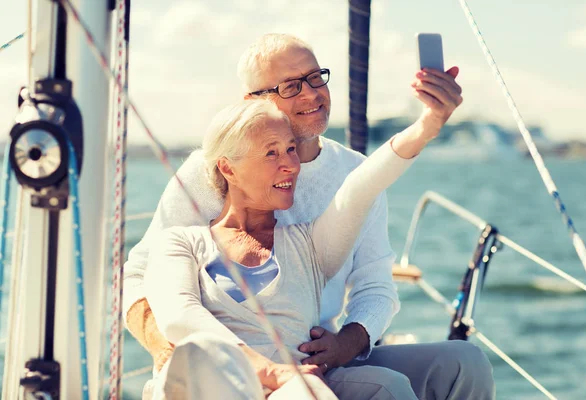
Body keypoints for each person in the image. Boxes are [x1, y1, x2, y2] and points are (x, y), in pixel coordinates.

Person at [124, 34, 495, 399]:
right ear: (252, 103)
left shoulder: (320, 216)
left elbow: (363, 206)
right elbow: (149, 283)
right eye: (290, 86)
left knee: (463, 362)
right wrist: (170, 349)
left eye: (316, 78)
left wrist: (345, 345)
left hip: (318, 357)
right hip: (227, 371)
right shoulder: (199, 187)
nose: (311, 93)